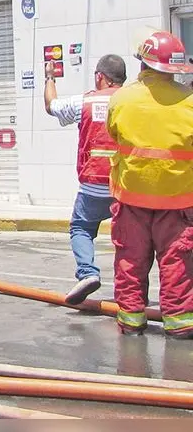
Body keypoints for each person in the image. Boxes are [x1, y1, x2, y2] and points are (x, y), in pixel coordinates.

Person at [105, 29, 193, 338]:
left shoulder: (121, 99)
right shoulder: (190, 102)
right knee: (177, 264)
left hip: (131, 200)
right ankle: (180, 324)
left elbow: (114, 134)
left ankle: (131, 321)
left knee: (130, 261)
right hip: (178, 202)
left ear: (142, 63)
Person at [43, 54, 127, 305]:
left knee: (81, 228)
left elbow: (51, 105)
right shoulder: (133, 100)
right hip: (125, 186)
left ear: (100, 77)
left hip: (93, 185)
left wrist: (50, 77)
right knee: (128, 239)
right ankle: (130, 288)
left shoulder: (85, 102)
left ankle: (88, 273)